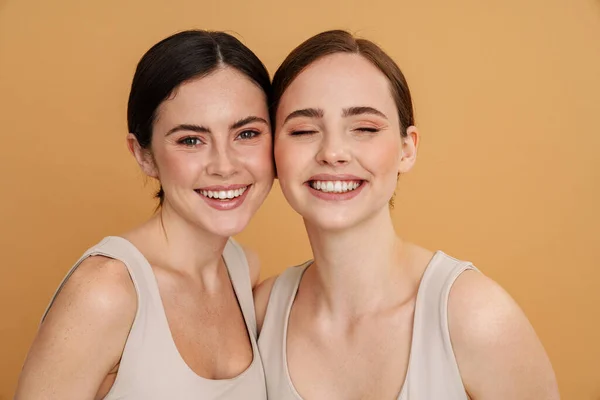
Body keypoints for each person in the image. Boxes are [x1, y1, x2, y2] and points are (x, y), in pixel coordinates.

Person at [255, 30, 559, 399]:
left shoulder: (474, 316)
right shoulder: (261, 312)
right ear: (272, 153)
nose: (333, 152)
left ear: (406, 149)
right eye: (303, 130)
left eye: (364, 128)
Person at [15, 30, 274, 399]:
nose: (224, 165)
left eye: (246, 133)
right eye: (190, 140)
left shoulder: (241, 269)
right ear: (144, 155)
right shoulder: (106, 291)